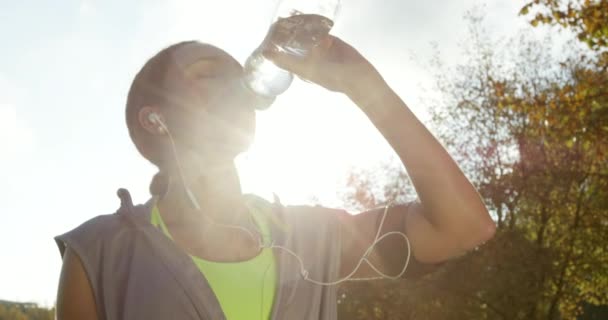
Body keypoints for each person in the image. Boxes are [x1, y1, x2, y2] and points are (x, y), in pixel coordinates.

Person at [54, 35, 496, 320]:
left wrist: (364, 85)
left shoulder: (309, 237)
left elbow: (462, 227)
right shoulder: (101, 252)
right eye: (209, 73)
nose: (237, 82)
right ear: (154, 118)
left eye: (236, 71)